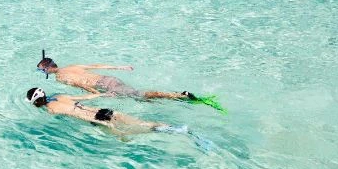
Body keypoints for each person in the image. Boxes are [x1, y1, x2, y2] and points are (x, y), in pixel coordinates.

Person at [36, 50, 226, 113]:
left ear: (46, 69)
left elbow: (82, 85)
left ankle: (180, 95)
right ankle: (175, 98)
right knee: (141, 98)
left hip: (105, 86)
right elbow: (97, 65)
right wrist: (120, 67)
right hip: (110, 78)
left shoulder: (61, 77)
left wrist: (98, 95)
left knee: (140, 95)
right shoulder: (72, 66)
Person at [25, 87, 184, 136]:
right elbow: (85, 97)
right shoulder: (59, 96)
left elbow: (76, 114)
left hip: (98, 119)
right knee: (142, 123)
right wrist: (102, 94)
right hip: (104, 110)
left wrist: (105, 125)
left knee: (137, 131)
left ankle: (173, 131)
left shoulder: (52, 109)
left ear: (36, 102)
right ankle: (176, 128)